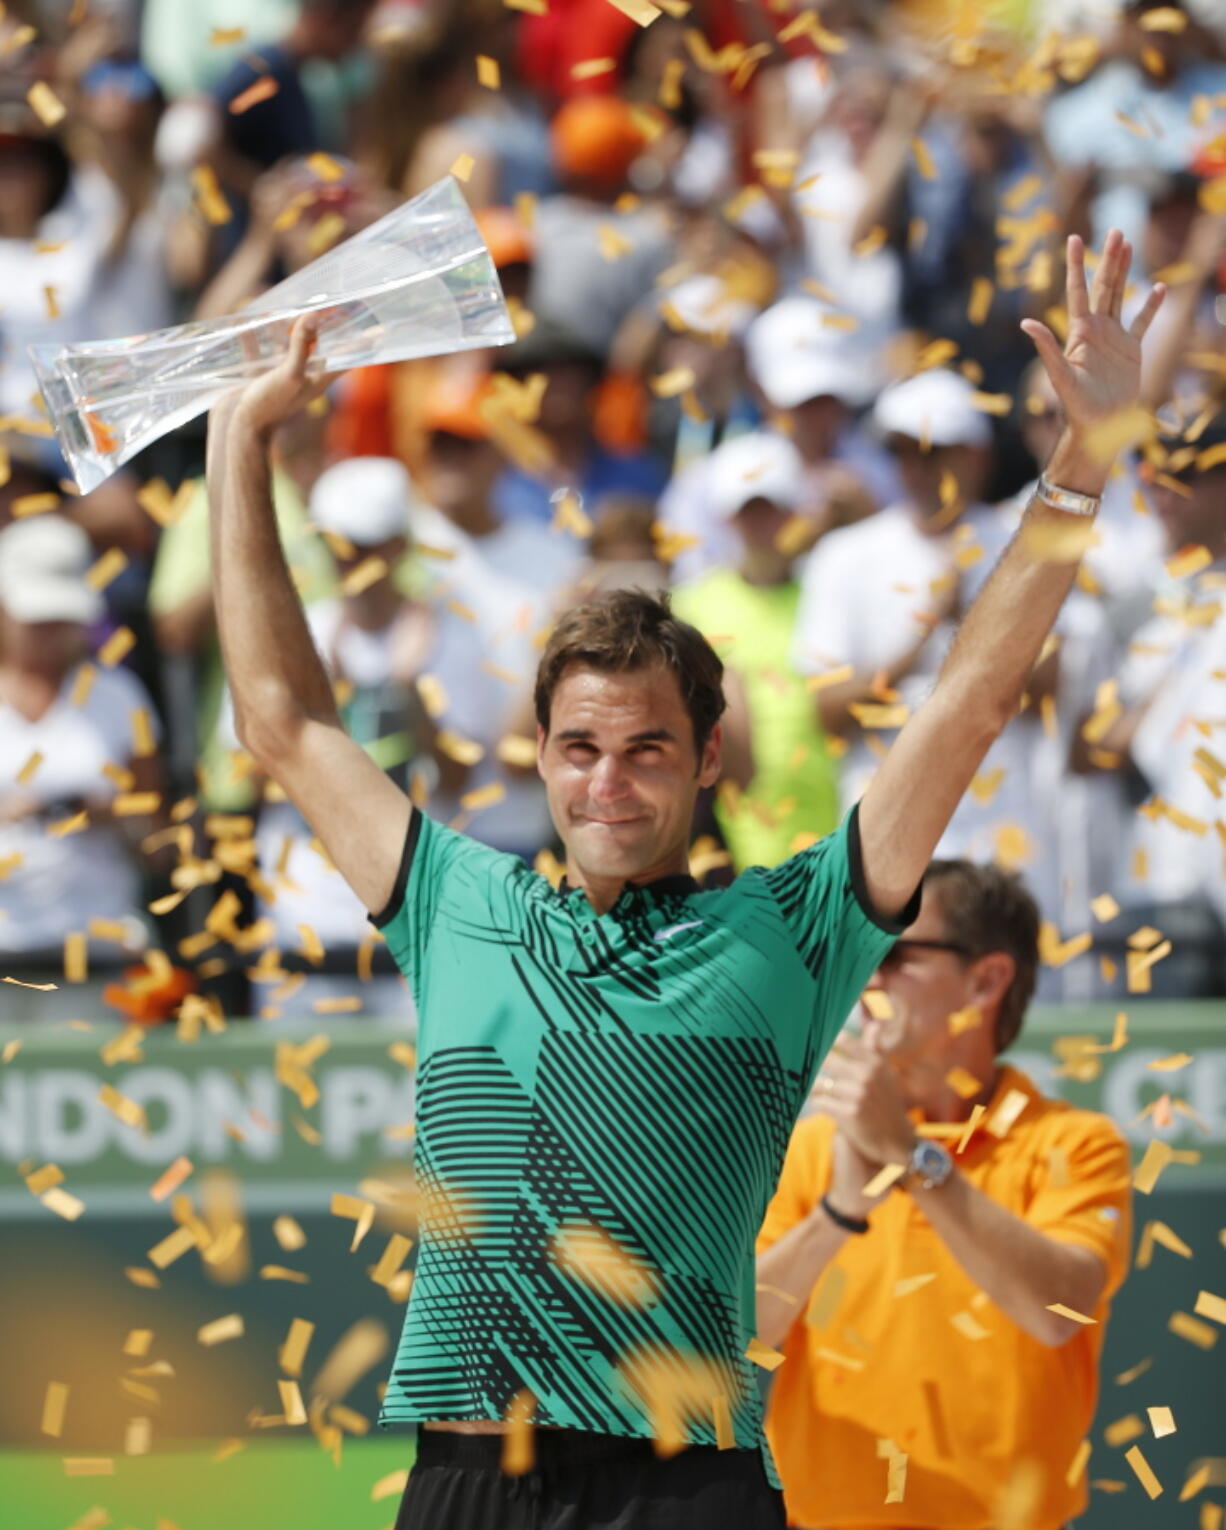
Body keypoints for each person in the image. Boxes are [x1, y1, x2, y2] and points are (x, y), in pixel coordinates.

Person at [204, 228, 1162, 1529]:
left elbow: (970, 701)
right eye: (580, 747)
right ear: (537, 755)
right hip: (463, 1480)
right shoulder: (456, 902)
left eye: (647, 747)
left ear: (707, 753)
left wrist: (1079, 462)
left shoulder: (792, 928)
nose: (609, 781)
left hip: (682, 1488)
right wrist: (237, 438)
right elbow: (281, 720)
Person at [755, 860, 1132, 1530]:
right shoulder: (809, 1148)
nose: (868, 977)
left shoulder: (1075, 1144)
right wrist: (839, 1213)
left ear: (985, 981)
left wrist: (909, 1156)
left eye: (895, 955)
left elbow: (1058, 1311)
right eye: (858, 954)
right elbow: (739, 1336)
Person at [0, 516, 166, 1014]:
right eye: (38, 621)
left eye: (62, 621)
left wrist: (110, 815)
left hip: (99, 954)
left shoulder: (122, 698)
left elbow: (161, 847)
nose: (52, 636)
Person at [672, 431, 841, 871]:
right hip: (734, 831)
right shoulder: (692, 603)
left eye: (774, 508)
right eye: (750, 510)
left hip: (838, 811)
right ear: (727, 517)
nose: (763, 523)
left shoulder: (829, 589)